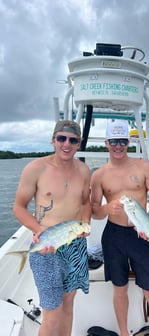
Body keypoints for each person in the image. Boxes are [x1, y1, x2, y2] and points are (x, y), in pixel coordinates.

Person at [13, 120, 91, 336]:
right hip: (46, 248)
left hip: (75, 247)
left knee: (68, 306)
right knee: (52, 314)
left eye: (73, 140)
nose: (67, 144)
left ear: (78, 144)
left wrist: (86, 224)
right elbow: (19, 208)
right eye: (61, 138)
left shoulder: (84, 170)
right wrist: (39, 231)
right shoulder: (35, 168)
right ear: (53, 140)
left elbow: (85, 202)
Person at [90, 121, 149, 336]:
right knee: (119, 288)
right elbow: (95, 210)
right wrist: (107, 207)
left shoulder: (143, 167)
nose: (118, 146)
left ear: (128, 142)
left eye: (122, 141)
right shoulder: (99, 175)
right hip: (113, 236)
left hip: (141, 234)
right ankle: (124, 332)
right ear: (106, 143)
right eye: (113, 141)